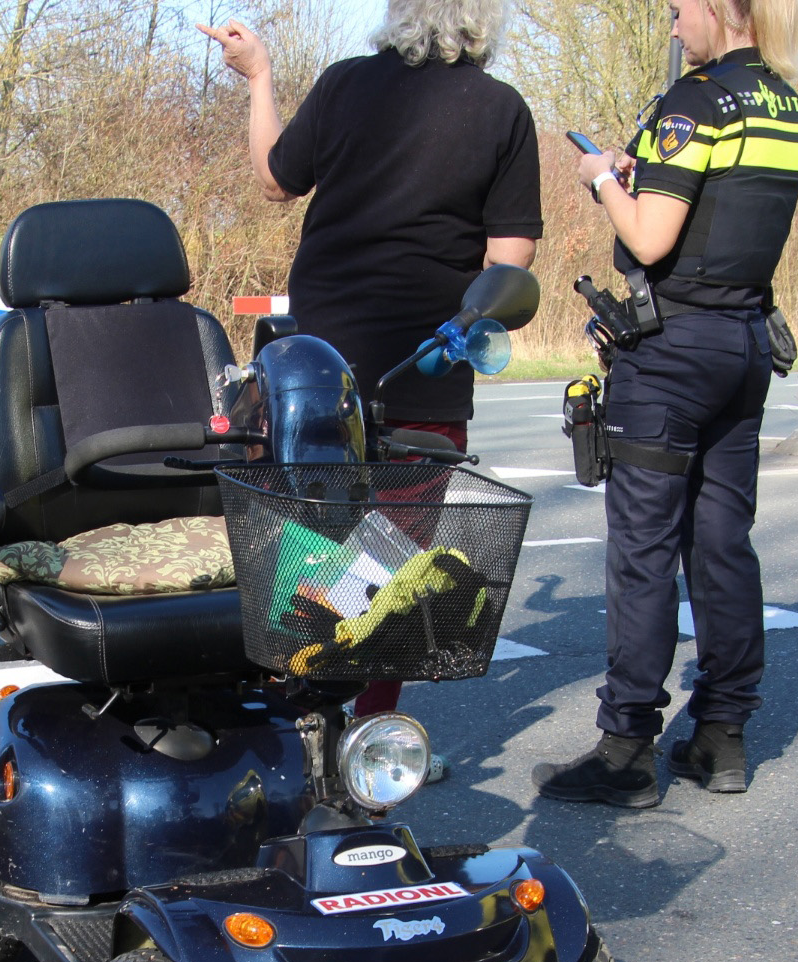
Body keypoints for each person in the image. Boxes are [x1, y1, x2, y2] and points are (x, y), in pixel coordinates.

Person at [201, 0, 542, 732]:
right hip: (423, 370)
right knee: (395, 566)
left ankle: (291, 714)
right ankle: (368, 735)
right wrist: (473, 324)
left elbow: (273, 180)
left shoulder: (346, 84)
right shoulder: (502, 110)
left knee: (302, 544)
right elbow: (509, 260)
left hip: (315, 373)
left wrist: (258, 75)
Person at [533, 0, 798, 808]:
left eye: (679, 7)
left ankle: (625, 750)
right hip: (746, 344)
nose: (669, 22)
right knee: (722, 543)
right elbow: (718, 208)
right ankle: (722, 736)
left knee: (643, 550)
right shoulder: (787, 105)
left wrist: (600, 181)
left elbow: (652, 240)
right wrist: (640, 172)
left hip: (672, 352)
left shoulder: (693, 102)